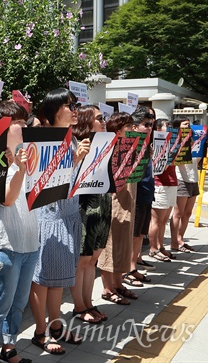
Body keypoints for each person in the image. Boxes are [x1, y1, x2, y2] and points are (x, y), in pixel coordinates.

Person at [28, 88, 90, 355]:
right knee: (41, 279)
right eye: (69, 105)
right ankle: (40, 331)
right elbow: (41, 185)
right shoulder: (42, 140)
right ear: (54, 110)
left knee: (59, 279)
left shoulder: (74, 140)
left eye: (75, 105)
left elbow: (77, 184)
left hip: (69, 215)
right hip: (49, 217)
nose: (75, 110)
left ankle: (55, 325)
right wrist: (74, 162)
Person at [0, 101, 37, 363]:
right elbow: (7, 199)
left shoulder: (31, 157)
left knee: (17, 305)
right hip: (3, 246)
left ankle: (9, 349)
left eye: (25, 122)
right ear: (2, 127)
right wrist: (21, 170)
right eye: (19, 123)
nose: (25, 127)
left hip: (29, 244)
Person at [69, 104, 110, 324]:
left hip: (102, 204)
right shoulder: (78, 146)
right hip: (84, 206)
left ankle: (88, 302)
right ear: (87, 122)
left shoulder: (105, 144)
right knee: (83, 259)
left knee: (92, 259)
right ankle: (79, 306)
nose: (104, 121)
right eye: (99, 118)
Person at [97, 112, 138, 305]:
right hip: (114, 202)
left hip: (129, 201)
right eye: (128, 127)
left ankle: (118, 283)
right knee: (111, 245)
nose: (133, 130)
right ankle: (107, 288)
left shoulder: (132, 147)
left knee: (124, 243)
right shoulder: (110, 148)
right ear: (118, 129)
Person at [125, 106, 155, 286]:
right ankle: (127, 269)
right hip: (134, 193)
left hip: (146, 191)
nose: (150, 128)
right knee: (133, 234)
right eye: (146, 124)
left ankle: (134, 265)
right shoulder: (131, 145)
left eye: (151, 124)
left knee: (140, 234)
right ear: (135, 127)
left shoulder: (147, 145)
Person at [148, 118, 177, 262]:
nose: (170, 129)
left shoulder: (171, 143)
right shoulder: (156, 144)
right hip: (160, 184)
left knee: (164, 220)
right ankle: (153, 248)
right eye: (167, 126)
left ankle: (160, 246)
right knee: (156, 220)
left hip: (172, 182)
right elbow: (159, 167)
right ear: (158, 129)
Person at [170, 117, 199, 253]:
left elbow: (198, 160)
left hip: (194, 178)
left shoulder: (196, 141)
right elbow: (175, 162)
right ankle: (174, 242)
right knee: (178, 212)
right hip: (181, 178)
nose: (189, 126)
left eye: (189, 124)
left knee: (187, 213)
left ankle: (181, 238)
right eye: (185, 124)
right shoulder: (176, 142)